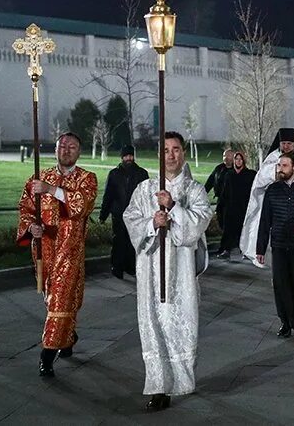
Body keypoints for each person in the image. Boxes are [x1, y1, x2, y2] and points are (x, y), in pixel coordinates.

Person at [123, 131, 213, 411]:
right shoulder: (144, 189)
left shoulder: (194, 190)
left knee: (181, 325)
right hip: (150, 270)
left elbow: (199, 225)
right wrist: (153, 223)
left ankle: (181, 380)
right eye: (165, 150)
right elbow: (131, 220)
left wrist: (173, 208)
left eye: (176, 149)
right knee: (153, 324)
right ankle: (159, 385)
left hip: (181, 272)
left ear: (183, 153)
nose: (171, 155)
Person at [17, 132, 98, 378]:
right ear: (55, 150)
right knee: (55, 299)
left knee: (60, 299)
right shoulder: (38, 179)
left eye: (72, 146)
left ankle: (47, 354)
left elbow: (81, 205)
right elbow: (26, 209)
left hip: (70, 250)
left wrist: (53, 190)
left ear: (79, 152)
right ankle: (67, 335)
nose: (67, 150)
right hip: (45, 250)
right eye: (63, 146)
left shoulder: (87, 178)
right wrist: (32, 227)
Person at [240, 128, 294, 267]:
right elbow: (260, 179)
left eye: (289, 143)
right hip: (277, 213)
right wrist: (276, 171)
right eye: (283, 143)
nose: (285, 146)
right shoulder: (273, 157)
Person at [256, 152, 294, 339]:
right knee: (281, 285)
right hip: (279, 244)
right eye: (279, 166)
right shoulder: (272, 190)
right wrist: (260, 248)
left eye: (284, 166)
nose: (280, 169)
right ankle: (285, 322)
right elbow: (265, 220)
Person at [99, 144, 149, 278]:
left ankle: (131, 267)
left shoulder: (142, 173)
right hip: (119, 214)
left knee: (133, 241)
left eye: (131, 155)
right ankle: (117, 267)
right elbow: (108, 196)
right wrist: (103, 215)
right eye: (126, 156)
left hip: (136, 214)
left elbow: (146, 195)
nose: (129, 158)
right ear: (122, 157)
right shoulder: (114, 174)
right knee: (119, 241)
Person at [219, 152, 256, 257]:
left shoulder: (249, 174)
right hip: (230, 207)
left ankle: (245, 251)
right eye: (236, 159)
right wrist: (221, 206)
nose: (238, 161)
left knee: (243, 230)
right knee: (228, 229)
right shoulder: (229, 174)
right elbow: (224, 192)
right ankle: (226, 249)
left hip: (243, 207)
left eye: (240, 159)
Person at [204, 149, 234, 256]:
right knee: (221, 222)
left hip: (231, 202)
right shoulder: (219, 169)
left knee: (227, 224)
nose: (226, 158)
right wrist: (203, 193)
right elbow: (210, 181)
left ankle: (225, 248)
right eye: (224, 156)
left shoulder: (236, 170)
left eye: (229, 156)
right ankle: (228, 245)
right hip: (220, 201)